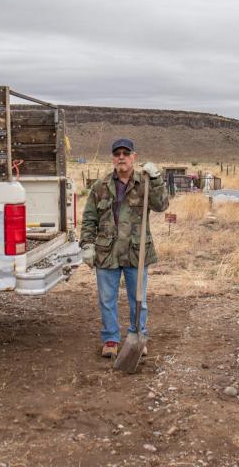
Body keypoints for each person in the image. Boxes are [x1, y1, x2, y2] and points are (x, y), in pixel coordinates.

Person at [80, 138, 169, 357]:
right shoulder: (100, 187)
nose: (121, 157)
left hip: (136, 252)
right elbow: (89, 218)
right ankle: (110, 339)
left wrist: (157, 180)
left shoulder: (145, 183)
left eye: (125, 153)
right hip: (106, 252)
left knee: (138, 299)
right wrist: (87, 244)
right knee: (107, 299)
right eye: (117, 153)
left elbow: (161, 205)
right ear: (113, 158)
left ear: (133, 157)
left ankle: (137, 335)